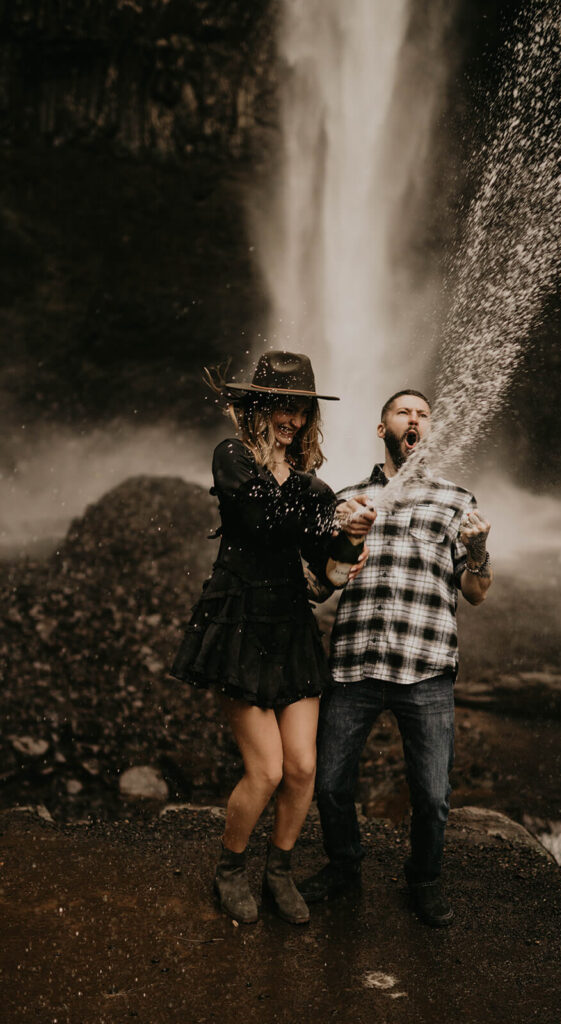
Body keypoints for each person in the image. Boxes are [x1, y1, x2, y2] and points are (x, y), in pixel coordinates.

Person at [170, 351, 373, 926]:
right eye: (281, 405)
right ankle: (231, 867)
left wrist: (350, 541)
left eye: (301, 409)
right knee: (267, 771)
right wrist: (330, 518)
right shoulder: (232, 459)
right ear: (257, 406)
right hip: (238, 625)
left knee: (303, 768)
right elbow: (260, 520)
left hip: (290, 628)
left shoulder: (315, 488)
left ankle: (278, 870)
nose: (292, 418)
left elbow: (324, 576)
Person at [301, 389, 493, 927]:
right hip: (356, 664)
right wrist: (341, 536)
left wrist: (478, 550)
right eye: (403, 412)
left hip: (426, 667)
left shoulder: (457, 500)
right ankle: (344, 868)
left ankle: (425, 879)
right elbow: (320, 586)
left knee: (431, 795)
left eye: (424, 414)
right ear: (381, 427)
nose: (415, 419)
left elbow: (475, 592)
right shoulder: (348, 499)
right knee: (331, 785)